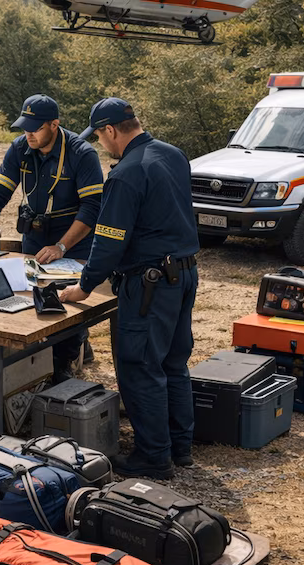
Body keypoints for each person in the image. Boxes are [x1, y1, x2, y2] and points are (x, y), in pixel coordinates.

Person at [59, 98, 200, 480]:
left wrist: (85, 286)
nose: (102, 145)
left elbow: (109, 240)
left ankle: (154, 457)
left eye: (100, 138)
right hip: (184, 273)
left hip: (149, 284)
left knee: (140, 367)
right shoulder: (173, 154)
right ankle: (179, 446)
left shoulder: (126, 174)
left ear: (110, 131)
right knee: (173, 361)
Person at [0, 94, 104, 382]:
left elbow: (92, 209)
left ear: (55, 125)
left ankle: (65, 359)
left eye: (36, 128)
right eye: (25, 128)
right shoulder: (19, 148)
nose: (28, 134)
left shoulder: (81, 153)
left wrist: (62, 245)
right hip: (35, 232)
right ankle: (38, 357)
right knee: (31, 294)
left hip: (72, 236)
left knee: (66, 300)